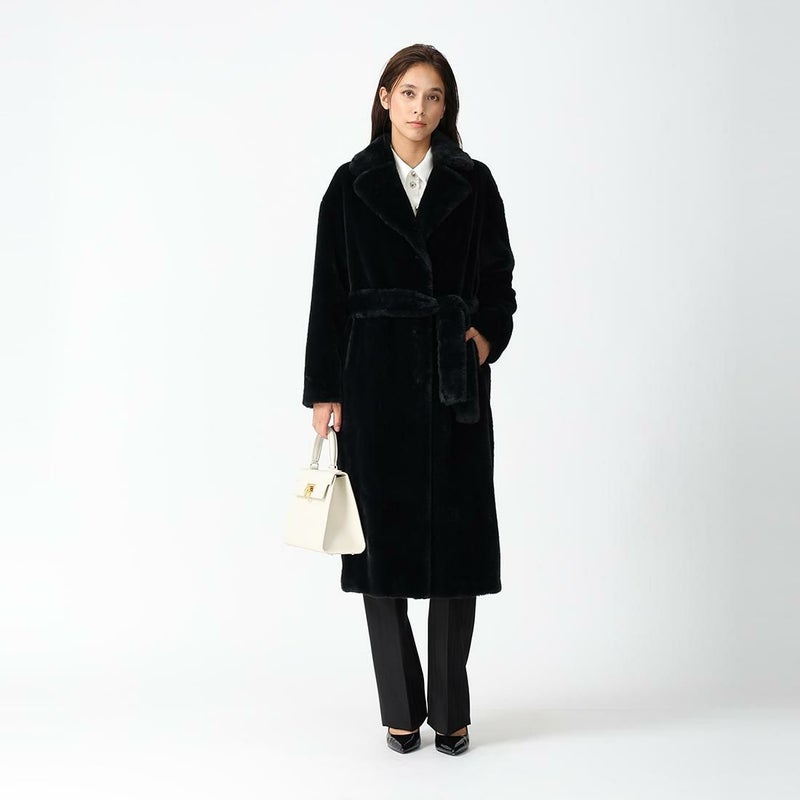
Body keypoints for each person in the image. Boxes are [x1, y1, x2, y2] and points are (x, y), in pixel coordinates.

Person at [301, 43, 517, 756]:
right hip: (374, 384)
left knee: (457, 548)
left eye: (434, 96)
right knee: (379, 551)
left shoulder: (474, 183)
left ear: (446, 106)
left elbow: (498, 282)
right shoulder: (351, 184)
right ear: (385, 97)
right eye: (408, 92)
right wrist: (325, 391)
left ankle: (451, 712)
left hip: (454, 387)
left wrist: (480, 341)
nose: (420, 108)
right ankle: (400, 708)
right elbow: (328, 293)